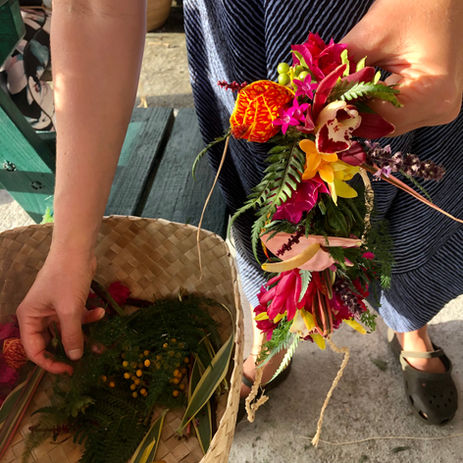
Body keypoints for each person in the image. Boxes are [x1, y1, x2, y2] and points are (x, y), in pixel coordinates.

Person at [16, 0, 463, 424]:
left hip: (408, 39)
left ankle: (412, 326)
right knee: (264, 216)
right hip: (249, 40)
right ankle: (274, 332)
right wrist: (71, 246)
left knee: (416, 217)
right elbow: (95, 7)